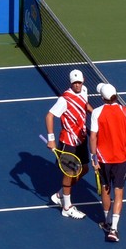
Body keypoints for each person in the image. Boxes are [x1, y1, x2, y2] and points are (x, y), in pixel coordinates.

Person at [90, 83, 126, 242]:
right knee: (118, 192)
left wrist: (94, 157)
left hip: (103, 159)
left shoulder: (97, 112)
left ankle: (107, 222)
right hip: (122, 159)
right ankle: (114, 229)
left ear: (102, 97)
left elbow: (93, 137)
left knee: (106, 190)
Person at [45, 69, 92, 220]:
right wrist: (51, 138)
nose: (77, 85)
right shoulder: (64, 99)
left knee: (84, 169)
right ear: (71, 83)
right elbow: (49, 116)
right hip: (68, 141)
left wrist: (97, 114)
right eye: (75, 83)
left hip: (82, 139)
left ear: (83, 81)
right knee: (69, 173)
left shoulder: (84, 91)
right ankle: (67, 207)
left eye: (79, 82)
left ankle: (60, 194)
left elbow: (85, 105)